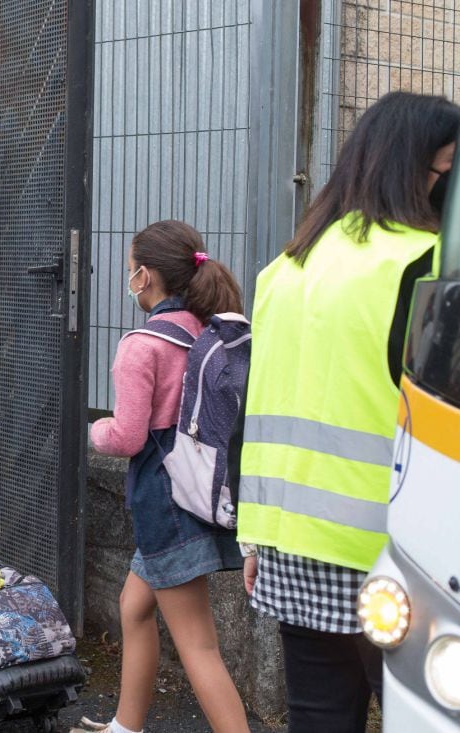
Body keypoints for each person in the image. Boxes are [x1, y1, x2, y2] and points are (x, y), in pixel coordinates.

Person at [238, 91, 458, 733]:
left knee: (320, 716)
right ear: (416, 170)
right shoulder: (425, 263)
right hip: (398, 551)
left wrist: (254, 534)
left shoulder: (287, 265)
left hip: (292, 543)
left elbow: (258, 409)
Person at [80, 221, 249, 733]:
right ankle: (124, 727)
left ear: (144, 276)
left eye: (131, 267)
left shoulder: (142, 345)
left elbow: (128, 436)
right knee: (133, 607)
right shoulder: (207, 331)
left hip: (165, 500)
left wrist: (94, 432)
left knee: (198, 645)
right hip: (203, 489)